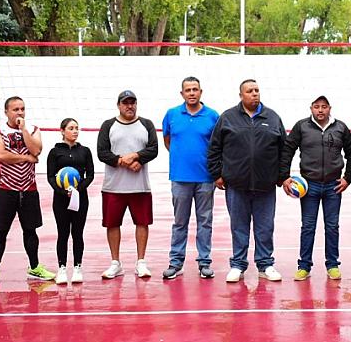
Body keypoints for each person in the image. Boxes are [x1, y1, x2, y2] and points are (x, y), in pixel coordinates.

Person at [207, 79, 286, 283]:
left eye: (257, 90)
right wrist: (217, 174)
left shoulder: (273, 117)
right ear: (241, 95)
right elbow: (214, 148)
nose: (254, 94)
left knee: (265, 227)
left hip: (266, 185)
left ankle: (265, 264)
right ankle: (238, 265)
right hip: (236, 185)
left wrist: (280, 176)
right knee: (239, 227)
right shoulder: (228, 117)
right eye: (249, 91)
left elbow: (283, 151)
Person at [280, 95, 351, 281]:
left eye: (324, 107)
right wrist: (284, 177)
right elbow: (288, 150)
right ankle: (304, 266)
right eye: (317, 107)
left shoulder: (340, 127)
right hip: (309, 186)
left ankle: (332, 265)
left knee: (332, 227)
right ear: (311, 108)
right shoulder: (302, 127)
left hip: (333, 186)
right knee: (308, 227)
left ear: (330, 108)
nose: (320, 110)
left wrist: (347, 178)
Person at [0, 96, 54, 287]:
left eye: (22, 109)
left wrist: (23, 130)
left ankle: (34, 266)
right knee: (0, 231)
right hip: (5, 188)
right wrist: (26, 158)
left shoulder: (32, 129)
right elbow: (0, 155)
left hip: (28, 188)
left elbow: (36, 150)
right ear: (6, 112)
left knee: (30, 230)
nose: (20, 113)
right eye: (15, 110)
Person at [161, 77, 220, 279]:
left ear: (201, 92)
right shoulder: (171, 115)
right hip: (179, 178)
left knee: (205, 221)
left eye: (195, 89)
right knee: (180, 222)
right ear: (182, 93)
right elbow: (167, 141)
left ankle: (204, 263)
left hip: (205, 178)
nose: (192, 93)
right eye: (188, 90)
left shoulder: (213, 116)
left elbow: (217, 145)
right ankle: (176, 262)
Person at [97, 90, 158, 279]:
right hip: (113, 186)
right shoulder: (108, 125)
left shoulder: (146, 124)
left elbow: (153, 149)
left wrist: (138, 157)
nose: (129, 106)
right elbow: (102, 152)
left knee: (142, 223)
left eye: (132, 102)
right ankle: (116, 263)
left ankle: (141, 262)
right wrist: (122, 160)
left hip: (140, 186)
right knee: (113, 224)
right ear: (119, 105)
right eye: (125, 103)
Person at [46, 118, 95, 284]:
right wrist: (63, 191)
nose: (75, 131)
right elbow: (50, 177)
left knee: (77, 233)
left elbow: (91, 175)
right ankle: (61, 268)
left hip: (80, 197)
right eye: (71, 128)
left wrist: (77, 189)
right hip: (61, 199)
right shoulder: (54, 152)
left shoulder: (85, 151)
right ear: (62, 131)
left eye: (77, 128)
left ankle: (77, 267)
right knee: (63, 233)